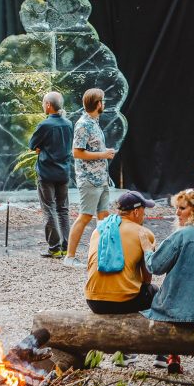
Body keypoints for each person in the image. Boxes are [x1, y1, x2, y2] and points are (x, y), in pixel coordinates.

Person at [140, 189, 194, 377]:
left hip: (175, 307)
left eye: (181, 208)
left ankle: (172, 357)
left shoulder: (180, 236)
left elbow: (155, 267)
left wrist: (147, 250)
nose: (176, 213)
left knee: (160, 292)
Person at [84, 191, 158, 366]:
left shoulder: (99, 229)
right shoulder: (143, 232)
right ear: (135, 212)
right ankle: (160, 354)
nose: (145, 215)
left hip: (93, 300)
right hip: (123, 302)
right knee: (154, 292)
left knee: (126, 285)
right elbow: (148, 274)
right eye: (144, 210)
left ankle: (122, 352)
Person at [65, 88, 117, 268]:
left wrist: (104, 154)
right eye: (102, 101)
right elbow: (77, 153)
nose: (104, 103)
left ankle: (101, 256)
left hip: (101, 179)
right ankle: (69, 257)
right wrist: (104, 154)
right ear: (98, 104)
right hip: (89, 180)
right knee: (85, 217)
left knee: (103, 217)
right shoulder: (83, 124)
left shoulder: (94, 122)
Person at [29, 91, 73, 258]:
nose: (43, 105)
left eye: (43, 102)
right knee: (63, 210)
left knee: (49, 209)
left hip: (46, 173)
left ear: (48, 105)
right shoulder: (68, 124)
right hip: (63, 173)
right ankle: (66, 247)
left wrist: (40, 148)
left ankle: (54, 248)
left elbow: (32, 145)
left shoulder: (45, 125)